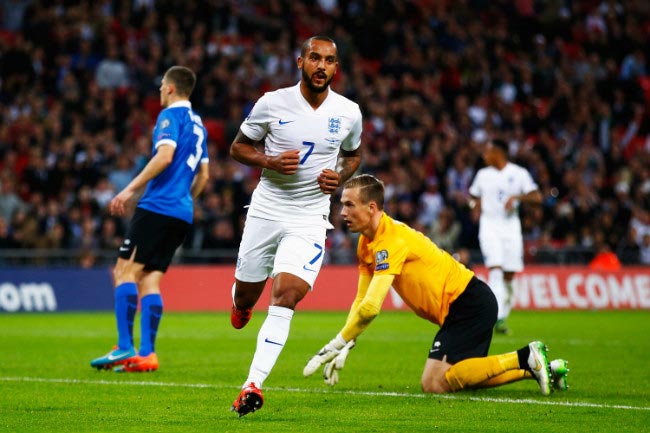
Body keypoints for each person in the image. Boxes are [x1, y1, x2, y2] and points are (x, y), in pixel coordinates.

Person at [303, 174, 569, 396]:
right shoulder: (366, 243)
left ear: (371, 207)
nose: (342, 212)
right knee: (459, 376)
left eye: (349, 205)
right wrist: (349, 342)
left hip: (466, 303)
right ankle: (538, 367)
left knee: (434, 383)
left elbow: (371, 307)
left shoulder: (391, 240)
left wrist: (336, 343)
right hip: (464, 305)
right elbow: (361, 300)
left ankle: (524, 356)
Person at [228, 35, 362, 416]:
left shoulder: (349, 111)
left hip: (309, 216)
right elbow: (238, 147)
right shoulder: (272, 103)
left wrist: (338, 174)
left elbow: (352, 155)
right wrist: (269, 161)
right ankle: (240, 304)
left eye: (330, 60)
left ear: (337, 68)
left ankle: (252, 384)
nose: (322, 66)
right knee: (244, 303)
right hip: (266, 211)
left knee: (286, 293)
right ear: (300, 61)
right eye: (315, 58)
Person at [90, 65, 209, 372]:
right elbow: (204, 175)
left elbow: (165, 155)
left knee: (123, 271)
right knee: (150, 279)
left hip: (157, 206)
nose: (159, 92)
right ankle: (147, 354)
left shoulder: (170, 117)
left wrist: (130, 189)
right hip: (181, 212)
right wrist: (185, 199)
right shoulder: (199, 125)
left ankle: (124, 346)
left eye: (161, 87)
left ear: (170, 88)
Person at [468, 138, 542, 334]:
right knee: (496, 269)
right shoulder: (483, 175)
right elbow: (472, 197)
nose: (484, 156)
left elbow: (537, 197)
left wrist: (517, 197)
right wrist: (474, 206)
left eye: (488, 152)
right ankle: (496, 317)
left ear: (498, 153)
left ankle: (503, 317)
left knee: (509, 275)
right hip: (489, 226)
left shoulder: (518, 174)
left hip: (511, 228)